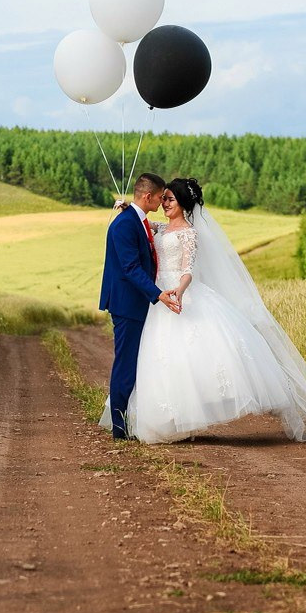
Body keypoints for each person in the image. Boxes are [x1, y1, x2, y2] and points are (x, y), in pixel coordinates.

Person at [100, 177, 306, 444]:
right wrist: (128, 207)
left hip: (173, 293)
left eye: (169, 199)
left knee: (181, 358)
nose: (164, 203)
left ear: (182, 203)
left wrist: (180, 288)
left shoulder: (189, 233)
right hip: (157, 298)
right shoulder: (156, 227)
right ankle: (143, 421)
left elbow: (187, 269)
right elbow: (142, 228)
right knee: (155, 360)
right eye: (162, 198)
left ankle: (176, 419)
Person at [98, 172, 180, 440]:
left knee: (135, 361)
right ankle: (119, 428)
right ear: (147, 196)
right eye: (159, 197)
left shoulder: (137, 220)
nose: (161, 201)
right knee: (126, 363)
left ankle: (128, 420)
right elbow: (131, 268)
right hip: (126, 304)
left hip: (134, 303)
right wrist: (158, 295)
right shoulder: (124, 226)